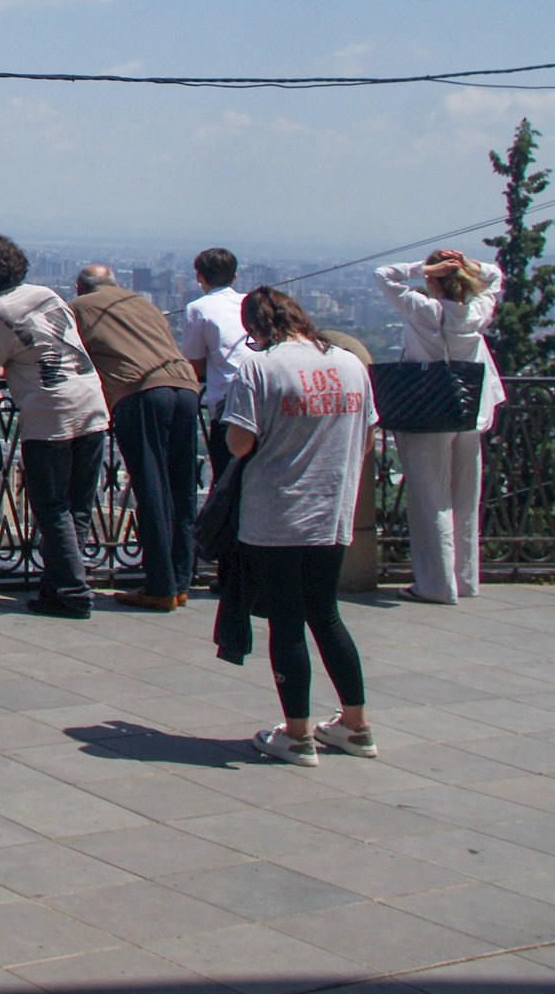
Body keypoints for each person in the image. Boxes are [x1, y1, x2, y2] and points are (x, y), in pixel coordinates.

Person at [221, 286, 378, 766]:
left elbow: (239, 444)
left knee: (286, 622)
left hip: (277, 512)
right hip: (332, 511)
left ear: (255, 329)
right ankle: (356, 726)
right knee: (325, 615)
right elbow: (368, 437)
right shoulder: (351, 364)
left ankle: (297, 734)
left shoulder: (260, 367)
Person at [0, 233, 110, 619]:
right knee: (77, 504)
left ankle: (72, 591)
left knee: (51, 506)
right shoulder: (49, 295)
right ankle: (62, 584)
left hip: (51, 412)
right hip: (93, 402)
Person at [376, 251, 507, 605]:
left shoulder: (424, 311)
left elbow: (383, 275)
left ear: (433, 281)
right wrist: (467, 265)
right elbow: (495, 278)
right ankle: (465, 579)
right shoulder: (476, 312)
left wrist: (424, 268)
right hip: (470, 409)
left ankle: (436, 585)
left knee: (430, 499)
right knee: (465, 496)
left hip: (427, 410)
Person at [72, 264, 203, 611]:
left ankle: (160, 585)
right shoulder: (143, 303)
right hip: (186, 387)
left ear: (80, 287)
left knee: (152, 486)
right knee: (182, 484)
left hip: (140, 391)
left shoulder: (78, 309)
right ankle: (180, 580)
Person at [179, 248, 248, 473]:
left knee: (227, 475)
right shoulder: (249, 302)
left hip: (229, 402)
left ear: (200, 276)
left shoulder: (198, 309)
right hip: (264, 395)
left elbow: (194, 363)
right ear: (235, 277)